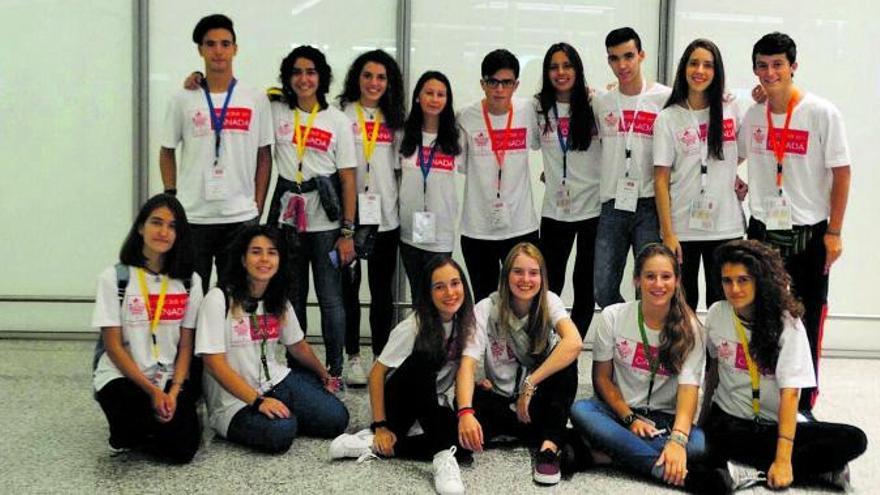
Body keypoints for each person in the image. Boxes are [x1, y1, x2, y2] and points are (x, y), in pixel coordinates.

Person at [738, 32, 852, 417]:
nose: (770, 73)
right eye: (762, 66)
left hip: (809, 233)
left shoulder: (822, 113)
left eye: (777, 65)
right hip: (762, 232)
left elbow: (842, 172)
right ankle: (767, 397)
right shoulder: (752, 113)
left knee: (808, 316)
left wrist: (834, 232)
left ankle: (805, 403)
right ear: (755, 70)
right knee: (762, 314)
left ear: (793, 67)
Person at [702, 240, 866, 491]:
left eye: (743, 280)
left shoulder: (787, 322)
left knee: (854, 439)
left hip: (774, 424)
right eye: (727, 281)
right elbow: (713, 370)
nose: (734, 289)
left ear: (760, 280)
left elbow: (790, 393)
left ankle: (753, 472)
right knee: (704, 447)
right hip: (730, 421)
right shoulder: (716, 313)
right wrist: (701, 420)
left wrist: (783, 459)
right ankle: (821, 469)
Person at [570, 243, 727, 492]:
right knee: (581, 410)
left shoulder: (692, 328)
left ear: (676, 281)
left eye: (666, 277)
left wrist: (676, 440)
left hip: (664, 419)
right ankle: (662, 469)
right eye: (650, 276)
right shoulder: (613, 316)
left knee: (699, 445)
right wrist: (630, 419)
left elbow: (689, 392)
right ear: (636, 280)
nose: (658, 284)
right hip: (620, 413)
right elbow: (602, 379)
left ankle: (605, 456)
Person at [195, 224, 349, 453]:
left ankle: (285, 412)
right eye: (256, 252)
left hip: (274, 382)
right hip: (234, 401)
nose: (264, 259)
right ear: (242, 259)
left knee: (337, 418)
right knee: (281, 432)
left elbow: (297, 346)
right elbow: (214, 364)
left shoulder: (277, 299)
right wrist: (258, 402)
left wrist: (324, 375)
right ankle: (279, 417)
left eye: (272, 252)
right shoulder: (218, 299)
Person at [330, 255, 476, 495]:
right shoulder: (414, 326)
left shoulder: (466, 323)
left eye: (455, 283)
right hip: (399, 403)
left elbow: (465, 369)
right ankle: (440, 455)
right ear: (428, 294)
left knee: (465, 446)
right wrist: (381, 425)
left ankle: (371, 445)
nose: (450, 292)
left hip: (429, 404)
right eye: (439, 287)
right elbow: (377, 373)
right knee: (423, 359)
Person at [159, 14, 273, 295]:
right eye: (210, 44)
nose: (218, 51)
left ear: (236, 48)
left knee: (233, 296)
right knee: (191, 296)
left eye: (225, 44)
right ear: (200, 50)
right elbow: (166, 150)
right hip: (193, 215)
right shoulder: (183, 98)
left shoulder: (254, 98)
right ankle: (192, 341)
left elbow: (264, 155)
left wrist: (257, 204)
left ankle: (228, 342)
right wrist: (172, 196)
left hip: (239, 216)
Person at [264, 45, 358, 387]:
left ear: (322, 77)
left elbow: (348, 178)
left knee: (332, 299)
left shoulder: (337, 120)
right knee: (293, 298)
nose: (304, 79)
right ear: (289, 79)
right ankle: (299, 370)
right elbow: (239, 96)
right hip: (288, 220)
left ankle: (334, 370)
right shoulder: (276, 110)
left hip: (327, 222)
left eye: (311, 72)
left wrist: (347, 231)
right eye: (297, 72)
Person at [457, 243, 581, 486]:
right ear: (506, 276)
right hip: (500, 400)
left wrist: (530, 383)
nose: (526, 279)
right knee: (461, 411)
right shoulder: (486, 308)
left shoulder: (549, 301)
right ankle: (546, 435)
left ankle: (547, 449)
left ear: (542, 277)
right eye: (518, 272)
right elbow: (467, 363)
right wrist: (465, 413)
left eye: (533, 273)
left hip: (535, 399)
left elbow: (574, 342)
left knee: (567, 362)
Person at [92, 193, 202, 463]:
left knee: (181, 453)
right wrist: (153, 392)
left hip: (168, 374)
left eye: (172, 226)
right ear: (141, 227)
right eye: (156, 222)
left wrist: (173, 391)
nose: (164, 232)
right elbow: (113, 346)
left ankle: (159, 425)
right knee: (131, 420)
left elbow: (186, 344)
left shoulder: (189, 281)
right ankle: (135, 430)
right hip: (125, 375)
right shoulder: (115, 278)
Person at [654, 39, 745, 312]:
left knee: (725, 307)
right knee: (683, 307)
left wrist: (731, 174)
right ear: (684, 68)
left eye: (708, 65)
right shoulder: (668, 118)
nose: (700, 70)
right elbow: (660, 179)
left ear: (717, 72)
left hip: (726, 227)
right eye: (694, 63)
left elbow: (743, 150)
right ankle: (688, 357)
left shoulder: (731, 108)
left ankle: (720, 357)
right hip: (683, 228)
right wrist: (668, 233)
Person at [336, 50, 406, 386]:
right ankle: (352, 357)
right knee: (348, 291)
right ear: (357, 78)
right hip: (348, 217)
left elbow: (400, 170)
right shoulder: (340, 114)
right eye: (368, 75)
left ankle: (381, 358)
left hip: (386, 219)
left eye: (381, 77)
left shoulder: (396, 119)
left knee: (382, 294)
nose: (374, 83)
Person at [593, 27, 671, 308]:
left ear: (641, 55)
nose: (622, 65)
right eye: (614, 59)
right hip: (613, 203)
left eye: (628, 56)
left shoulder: (665, 98)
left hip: (650, 204)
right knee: (602, 288)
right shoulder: (600, 101)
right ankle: (624, 328)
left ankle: (644, 343)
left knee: (651, 288)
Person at [458, 49, 540, 302]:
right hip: (477, 229)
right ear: (482, 84)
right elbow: (458, 164)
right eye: (492, 82)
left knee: (524, 299)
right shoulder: (465, 117)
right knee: (485, 302)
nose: (499, 89)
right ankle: (489, 344)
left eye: (506, 83)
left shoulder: (529, 111)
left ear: (516, 85)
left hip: (521, 226)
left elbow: (551, 140)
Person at [533, 42, 602, 338]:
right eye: (554, 67)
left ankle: (572, 347)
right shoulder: (537, 108)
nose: (560, 73)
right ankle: (546, 342)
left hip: (592, 209)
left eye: (567, 66)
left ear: (578, 69)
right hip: (555, 211)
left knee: (585, 282)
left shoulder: (595, 104)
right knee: (550, 282)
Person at [398, 71, 462, 299]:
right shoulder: (403, 134)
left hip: (441, 233)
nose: (435, 99)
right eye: (429, 93)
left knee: (440, 297)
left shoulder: (457, 137)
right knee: (418, 296)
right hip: (409, 232)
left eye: (441, 94)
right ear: (417, 97)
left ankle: (440, 337)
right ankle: (420, 336)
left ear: (447, 100)